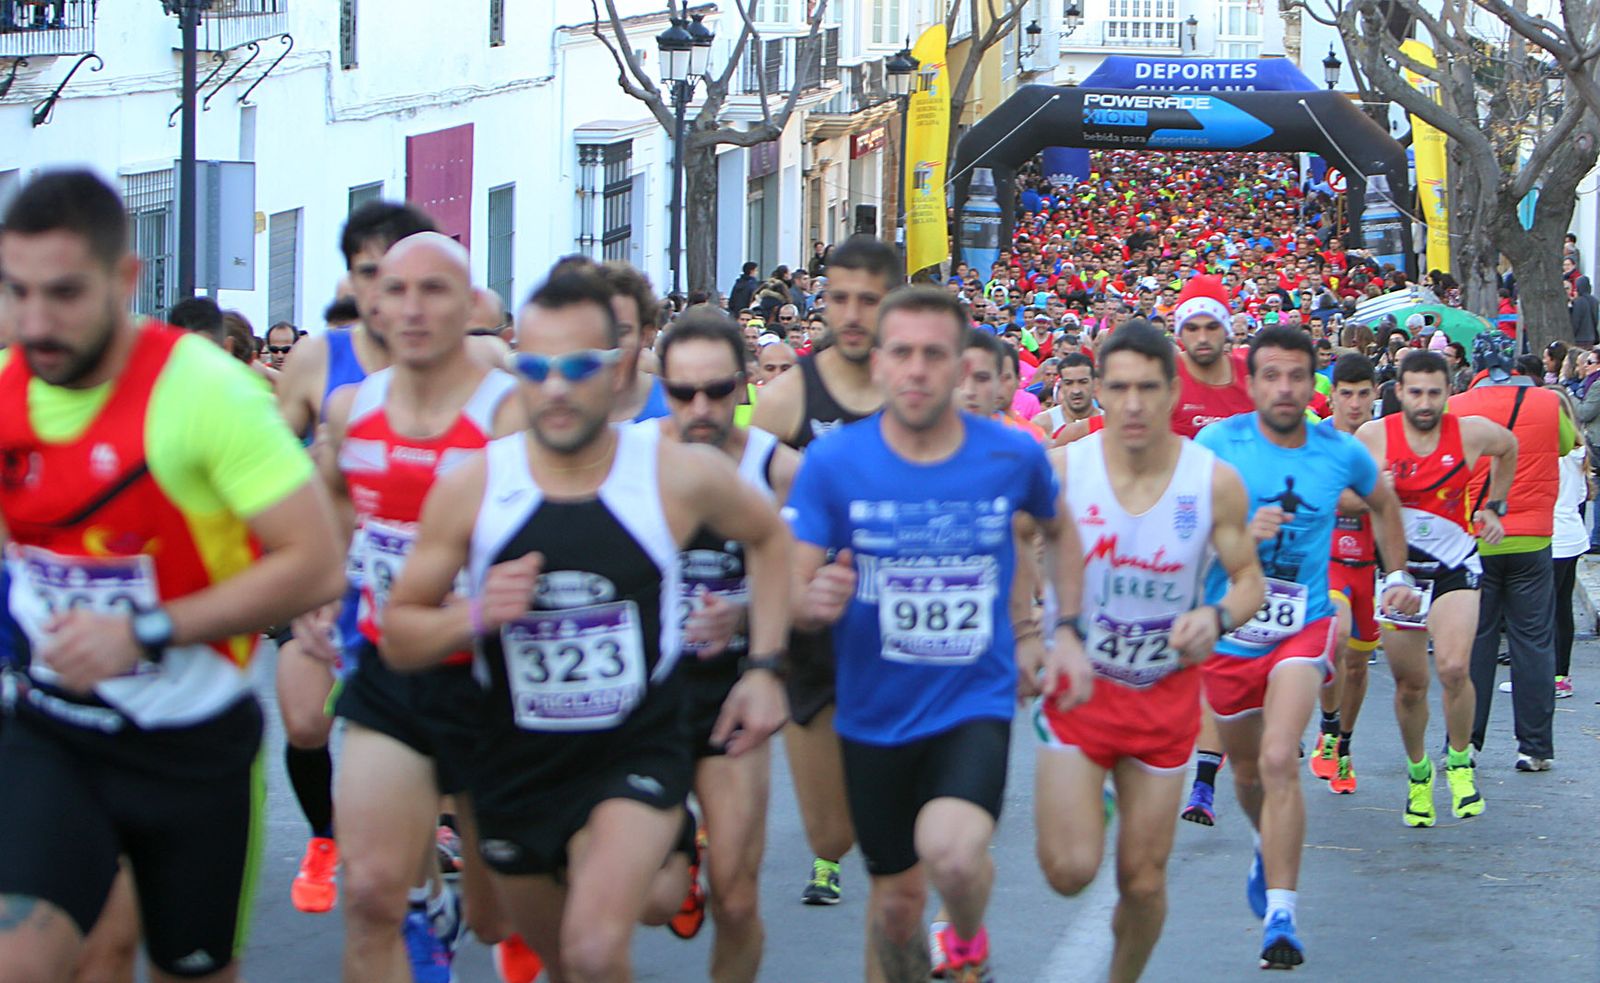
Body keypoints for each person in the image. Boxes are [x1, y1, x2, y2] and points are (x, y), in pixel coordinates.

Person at [379, 264, 793, 982]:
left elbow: (773, 538)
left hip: (635, 745)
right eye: (535, 368)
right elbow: (400, 631)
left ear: (620, 366)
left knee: (601, 949)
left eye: (576, 366)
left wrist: (764, 666)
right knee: (554, 953)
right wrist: (476, 614)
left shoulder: (671, 473)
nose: (557, 386)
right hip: (514, 755)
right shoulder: (476, 486)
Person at [0, 169, 346, 983]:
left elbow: (315, 560)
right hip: (54, 729)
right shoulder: (6, 388)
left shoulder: (206, 394)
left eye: (64, 293)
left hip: (192, 743)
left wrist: (145, 628)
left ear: (125, 281)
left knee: (176, 967)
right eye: (16, 292)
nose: (37, 322)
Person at [787, 288, 1093, 983]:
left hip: (970, 699)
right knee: (895, 905)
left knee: (952, 856)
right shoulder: (835, 462)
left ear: (961, 365)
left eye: (935, 354)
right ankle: (949, 940)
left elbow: (1058, 532)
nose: (918, 369)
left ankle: (963, 934)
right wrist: (811, 601)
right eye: (903, 352)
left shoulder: (1009, 456)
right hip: (871, 711)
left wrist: (1063, 630)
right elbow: (793, 579)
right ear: (879, 363)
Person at [317, 233, 525, 983]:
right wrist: (326, 591)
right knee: (370, 893)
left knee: (500, 911)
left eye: (434, 289)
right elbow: (336, 500)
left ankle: (456, 907)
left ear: (469, 304)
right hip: (392, 665)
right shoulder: (351, 409)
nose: (411, 307)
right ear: (373, 301)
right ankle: (416, 910)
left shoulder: (510, 414)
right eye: (395, 289)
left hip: (496, 679)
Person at [1034, 320, 1264, 983]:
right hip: (1079, 692)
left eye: (1147, 389)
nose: (1132, 404)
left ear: (1172, 392)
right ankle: (1087, 799)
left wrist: (1215, 615)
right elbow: (1016, 539)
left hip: (1163, 699)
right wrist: (1032, 627)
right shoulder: (1062, 470)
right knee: (1070, 869)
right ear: (1097, 392)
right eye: (1119, 389)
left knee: (1142, 879)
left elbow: (1249, 580)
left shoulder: (1211, 481)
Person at [1197, 326, 1418, 970]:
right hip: (1232, 627)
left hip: (1303, 622)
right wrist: (1236, 533)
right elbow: (1184, 532)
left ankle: (1282, 915)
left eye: (1297, 376)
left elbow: (1384, 501)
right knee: (1245, 773)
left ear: (1312, 382)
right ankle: (1269, 848)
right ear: (1253, 381)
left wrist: (1398, 575)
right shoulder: (1218, 445)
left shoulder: (1338, 451)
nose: (1286, 388)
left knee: (1275, 756)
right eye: (1272, 376)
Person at [750, 234, 900, 906]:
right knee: (830, 828)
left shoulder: (917, 394)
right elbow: (746, 511)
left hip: (901, 626)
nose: (851, 313)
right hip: (813, 624)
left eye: (868, 299)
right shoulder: (788, 398)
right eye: (838, 297)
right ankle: (832, 856)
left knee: (908, 834)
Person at [655, 310, 802, 982]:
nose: (703, 407)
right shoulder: (629, 462)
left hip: (731, 691)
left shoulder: (779, 468)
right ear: (662, 389)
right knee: (649, 898)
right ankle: (676, 845)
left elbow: (815, 572)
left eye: (719, 390)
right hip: (643, 700)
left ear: (746, 385)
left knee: (737, 896)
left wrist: (748, 623)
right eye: (684, 393)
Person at [1355, 349, 1518, 824]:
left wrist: (1495, 507)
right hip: (1402, 573)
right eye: (1416, 392)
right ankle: (1419, 772)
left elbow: (1508, 447)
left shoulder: (1467, 433)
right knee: (1410, 686)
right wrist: (1372, 493)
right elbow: (1339, 493)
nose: (1425, 403)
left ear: (1449, 392)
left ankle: (1461, 763)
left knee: (1452, 667)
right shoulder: (1373, 437)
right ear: (1398, 391)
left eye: (1435, 393)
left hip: (1455, 565)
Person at [1451, 333, 1574, 772]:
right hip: (1535, 537)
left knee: (1475, 641)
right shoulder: (1546, 403)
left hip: (1476, 537)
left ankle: (1464, 743)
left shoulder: (1458, 407)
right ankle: (1535, 747)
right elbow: (1566, 445)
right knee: (1533, 641)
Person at [1169, 275, 1254, 827]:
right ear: (1180, 336)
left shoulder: (1252, 376)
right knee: (1205, 657)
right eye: (1192, 328)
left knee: (1241, 652)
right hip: (1185, 528)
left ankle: (1210, 774)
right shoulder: (1168, 380)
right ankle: (1200, 777)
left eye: (1211, 326)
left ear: (1228, 330)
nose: (1202, 337)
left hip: (1253, 528)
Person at [1309, 354, 1382, 794]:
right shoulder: (1316, 440)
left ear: (1375, 395)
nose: (1354, 404)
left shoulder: (1389, 438)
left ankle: (1344, 747)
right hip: (1328, 562)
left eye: (1362, 394)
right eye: (1346, 394)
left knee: (1357, 666)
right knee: (1335, 638)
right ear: (1332, 396)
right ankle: (1328, 725)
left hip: (1372, 567)